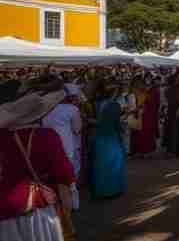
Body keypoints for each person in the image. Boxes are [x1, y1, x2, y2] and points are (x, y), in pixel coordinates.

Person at [0, 89, 77, 241]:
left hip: (5, 207)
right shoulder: (47, 136)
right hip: (38, 206)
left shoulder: (3, 137)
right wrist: (67, 208)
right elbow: (63, 175)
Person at [41, 85, 83, 209]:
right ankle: (72, 204)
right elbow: (77, 129)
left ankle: (55, 204)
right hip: (67, 145)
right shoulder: (71, 109)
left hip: (46, 145)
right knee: (69, 175)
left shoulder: (43, 109)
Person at [90, 80, 126, 199]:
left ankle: (101, 190)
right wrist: (122, 133)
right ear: (114, 92)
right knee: (114, 164)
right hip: (111, 137)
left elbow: (97, 121)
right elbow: (117, 124)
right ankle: (113, 190)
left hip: (99, 137)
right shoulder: (115, 105)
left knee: (101, 165)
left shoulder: (98, 103)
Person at [130, 76, 160, 158]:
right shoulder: (141, 92)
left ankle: (145, 151)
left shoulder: (147, 91)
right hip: (142, 115)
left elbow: (152, 103)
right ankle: (141, 151)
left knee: (145, 133)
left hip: (146, 115)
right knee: (141, 133)